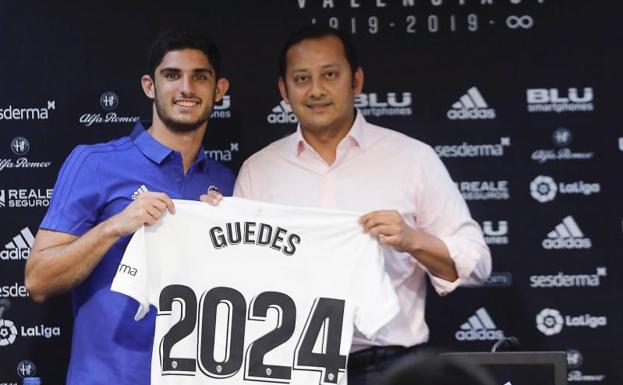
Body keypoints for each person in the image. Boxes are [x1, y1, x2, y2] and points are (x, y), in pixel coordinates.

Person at [204, 25, 491, 385]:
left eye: (329, 75)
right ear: (284, 90)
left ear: (355, 81)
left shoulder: (412, 159)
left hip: (389, 367)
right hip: (288, 365)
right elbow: (237, 278)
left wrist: (412, 239)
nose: (316, 90)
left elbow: (478, 264)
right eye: (302, 78)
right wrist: (215, 229)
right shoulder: (259, 170)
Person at [24, 28, 234, 385]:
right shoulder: (94, 163)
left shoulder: (228, 183)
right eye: (172, 75)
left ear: (219, 90)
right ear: (149, 86)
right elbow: (39, 280)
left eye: (200, 77)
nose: (186, 88)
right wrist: (115, 226)